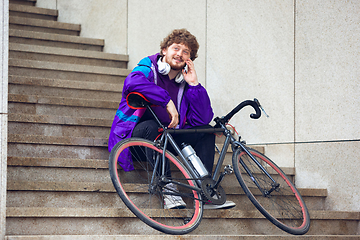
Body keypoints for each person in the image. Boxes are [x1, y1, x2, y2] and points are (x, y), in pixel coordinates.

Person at [108, 29, 235, 210]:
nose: (179, 54)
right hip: (137, 140)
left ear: (189, 59)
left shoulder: (184, 81)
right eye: (176, 48)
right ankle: (168, 189)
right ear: (164, 50)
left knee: (205, 132)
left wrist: (194, 85)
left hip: (170, 140)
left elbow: (202, 118)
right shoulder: (147, 66)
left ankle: (206, 192)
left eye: (186, 52)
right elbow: (132, 83)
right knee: (153, 127)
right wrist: (166, 100)